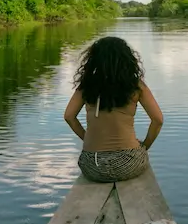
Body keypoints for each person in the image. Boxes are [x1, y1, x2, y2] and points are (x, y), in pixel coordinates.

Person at [63, 36, 163, 183]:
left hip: (93, 164)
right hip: (128, 163)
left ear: (94, 59)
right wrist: (144, 146)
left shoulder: (87, 86)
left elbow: (69, 117)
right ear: (126, 59)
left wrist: (87, 138)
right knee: (141, 156)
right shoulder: (136, 85)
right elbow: (158, 120)